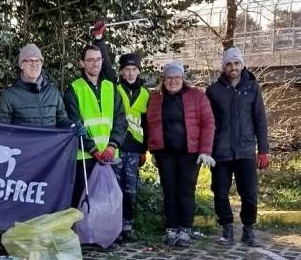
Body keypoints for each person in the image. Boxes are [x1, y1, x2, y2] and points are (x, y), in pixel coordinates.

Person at [205, 47, 270, 247]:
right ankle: (226, 228)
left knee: (249, 192)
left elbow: (260, 119)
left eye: (236, 63)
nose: (233, 67)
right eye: (229, 64)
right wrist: (206, 149)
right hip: (221, 152)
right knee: (220, 191)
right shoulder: (213, 91)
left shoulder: (252, 88)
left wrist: (264, 149)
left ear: (241, 65)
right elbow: (207, 122)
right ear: (223, 67)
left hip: (245, 151)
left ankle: (248, 229)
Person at [145, 62, 215, 246]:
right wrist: (153, 149)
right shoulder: (155, 97)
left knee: (185, 190)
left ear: (182, 78)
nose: (173, 81)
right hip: (165, 152)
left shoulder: (197, 96)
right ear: (164, 79)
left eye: (176, 78)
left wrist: (205, 150)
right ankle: (171, 228)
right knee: (169, 190)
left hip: (190, 153)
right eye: (169, 78)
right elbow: (151, 123)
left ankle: (185, 229)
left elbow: (209, 123)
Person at [64, 44, 127, 207]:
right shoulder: (74, 89)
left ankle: (108, 233)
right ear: (81, 63)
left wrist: (112, 146)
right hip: (85, 158)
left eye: (98, 59)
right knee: (84, 203)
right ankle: (82, 233)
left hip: (110, 156)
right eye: (90, 60)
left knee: (109, 202)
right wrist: (93, 149)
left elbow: (121, 120)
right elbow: (73, 125)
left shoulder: (111, 87)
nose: (95, 63)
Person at [115, 53, 149, 241]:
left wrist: (145, 149)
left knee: (131, 189)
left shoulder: (145, 94)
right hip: (117, 145)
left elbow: (147, 123)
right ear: (121, 71)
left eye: (133, 69)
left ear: (138, 71)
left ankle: (128, 225)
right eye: (127, 69)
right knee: (116, 188)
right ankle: (115, 226)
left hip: (135, 147)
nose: (130, 73)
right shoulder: (115, 89)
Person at [0, 44, 74, 128]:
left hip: (51, 141)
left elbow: (62, 120)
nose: (34, 64)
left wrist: (72, 126)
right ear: (22, 65)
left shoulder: (53, 92)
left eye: (38, 61)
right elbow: (3, 128)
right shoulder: (10, 94)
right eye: (30, 60)